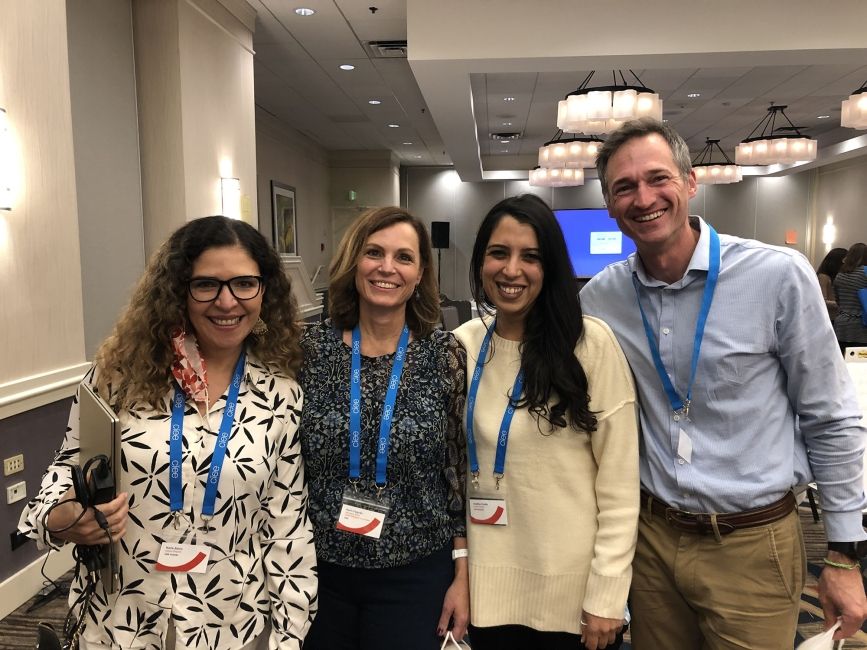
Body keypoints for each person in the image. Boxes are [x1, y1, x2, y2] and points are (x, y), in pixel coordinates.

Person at [580, 117, 867, 649]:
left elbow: (831, 418)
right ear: (609, 204)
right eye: (624, 187)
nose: (643, 198)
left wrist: (844, 556)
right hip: (652, 543)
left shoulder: (777, 277)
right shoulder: (600, 300)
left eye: (657, 178)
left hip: (754, 544)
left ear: (690, 183)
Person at [18, 216, 317, 649]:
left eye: (244, 284)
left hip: (231, 620)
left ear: (264, 290)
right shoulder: (118, 377)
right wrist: (58, 519)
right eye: (206, 285)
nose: (227, 301)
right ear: (179, 289)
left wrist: (289, 638)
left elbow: (287, 527)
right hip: (124, 617)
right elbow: (68, 467)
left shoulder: (280, 395)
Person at [454, 194, 639, 650]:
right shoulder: (461, 345)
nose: (512, 270)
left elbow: (619, 484)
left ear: (550, 267)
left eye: (530, 257)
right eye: (499, 253)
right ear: (481, 262)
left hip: (574, 601)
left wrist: (608, 594)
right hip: (483, 595)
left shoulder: (590, 344)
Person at [298, 206, 468, 649]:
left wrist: (463, 573)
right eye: (374, 252)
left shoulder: (443, 356)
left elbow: (457, 471)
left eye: (404, 257)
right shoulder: (309, 353)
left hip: (415, 573)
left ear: (420, 273)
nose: (387, 267)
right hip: (320, 572)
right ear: (354, 262)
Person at [833, 242, 867, 353]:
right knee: (860, 365)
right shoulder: (865, 273)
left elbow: (837, 301)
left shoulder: (840, 275)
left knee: (843, 364)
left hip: (841, 326)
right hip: (861, 329)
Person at [817, 247, 847, 320]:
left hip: (836, 316)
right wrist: (842, 304)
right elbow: (822, 301)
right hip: (828, 318)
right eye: (845, 260)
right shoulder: (823, 277)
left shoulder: (837, 276)